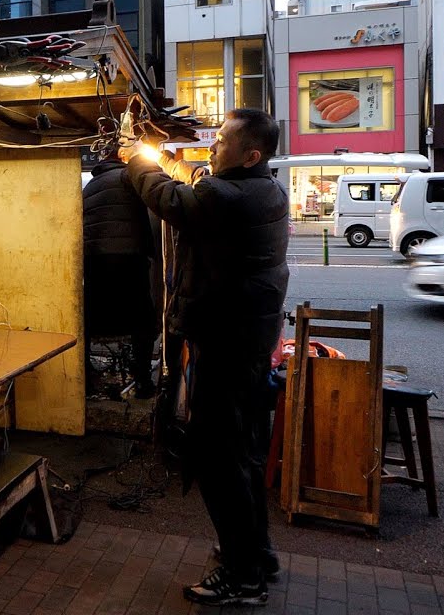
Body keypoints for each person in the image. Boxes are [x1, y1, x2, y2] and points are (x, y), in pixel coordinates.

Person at [120, 109, 289, 607]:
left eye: (222, 141)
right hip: (252, 344)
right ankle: (257, 553)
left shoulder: (224, 198)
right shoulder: (265, 189)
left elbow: (168, 197)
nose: (212, 146)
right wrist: (168, 159)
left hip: (226, 344)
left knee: (217, 460)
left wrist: (134, 158)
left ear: (250, 154)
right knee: (243, 455)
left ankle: (242, 576)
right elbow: (194, 179)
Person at [82, 148, 157, 399]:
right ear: (123, 160)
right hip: (129, 261)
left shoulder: (89, 186)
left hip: (95, 264)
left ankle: (84, 380)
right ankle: (143, 380)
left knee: (87, 321)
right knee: (142, 322)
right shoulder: (129, 178)